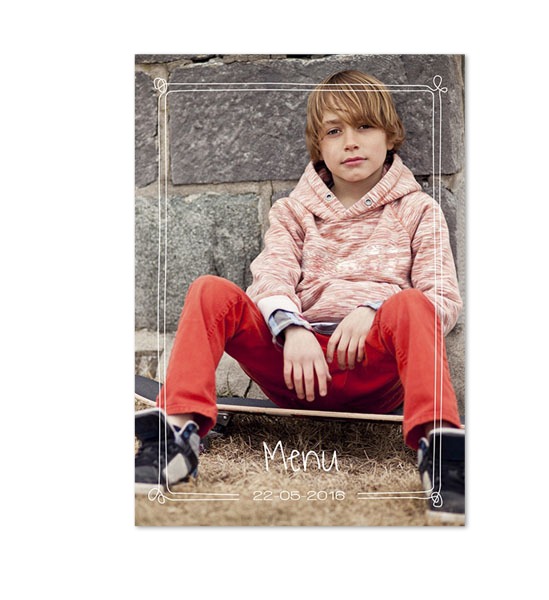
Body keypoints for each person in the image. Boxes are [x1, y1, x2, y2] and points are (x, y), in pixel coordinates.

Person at [135, 69, 466, 524]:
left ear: (390, 136)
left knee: (413, 304)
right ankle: (175, 437)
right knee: (210, 291)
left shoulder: (418, 210)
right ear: (318, 145)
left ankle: (444, 455)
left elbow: (442, 298)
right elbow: (271, 278)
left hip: (372, 366)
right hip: (297, 367)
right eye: (334, 131)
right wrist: (293, 329)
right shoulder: (292, 211)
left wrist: (373, 311)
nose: (350, 142)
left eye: (364, 126)